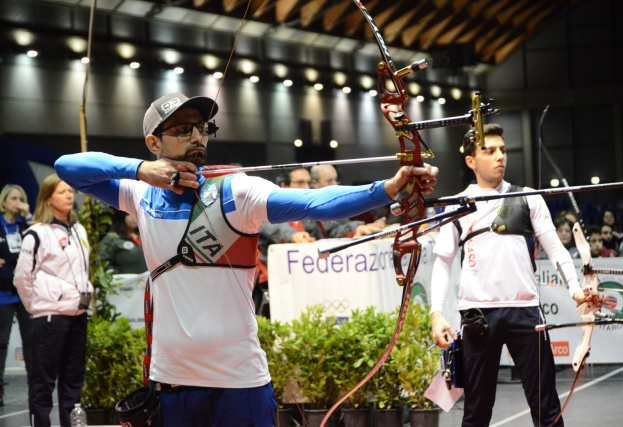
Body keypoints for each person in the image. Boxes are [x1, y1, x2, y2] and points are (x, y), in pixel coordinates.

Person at [54, 92, 438, 426]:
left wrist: (386, 189)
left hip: (239, 384)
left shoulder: (236, 190)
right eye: (183, 129)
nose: (196, 136)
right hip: (171, 383)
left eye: (202, 128)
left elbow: (315, 202)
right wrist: (140, 170)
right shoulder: (138, 194)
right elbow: (68, 167)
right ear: (154, 143)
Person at [430, 123, 591, 427]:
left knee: (546, 407)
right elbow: (443, 263)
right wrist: (436, 313)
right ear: (471, 161)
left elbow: (556, 250)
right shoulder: (457, 206)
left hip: (525, 313)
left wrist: (575, 289)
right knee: (476, 411)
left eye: (502, 150)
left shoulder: (529, 197)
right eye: (489, 151)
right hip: (478, 316)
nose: (499, 156)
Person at [13, 174, 93, 427]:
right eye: (62, 191)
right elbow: (21, 279)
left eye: (70, 190)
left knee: (73, 382)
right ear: (48, 198)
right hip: (49, 318)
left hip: (78, 316)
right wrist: (36, 307)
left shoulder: (79, 229)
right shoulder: (35, 234)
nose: (69, 195)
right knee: (43, 383)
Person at [255, 168, 316, 316]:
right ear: (284, 186)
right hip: (271, 284)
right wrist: (293, 235)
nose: (306, 187)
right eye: (300, 183)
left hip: (305, 279)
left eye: (308, 183)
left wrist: (358, 227)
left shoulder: (309, 208)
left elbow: (333, 225)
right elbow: (271, 225)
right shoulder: (267, 205)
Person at [0, 184, 33, 406]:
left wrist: (28, 214)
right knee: (1, 341)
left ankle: (36, 384)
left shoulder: (24, 225)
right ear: (4, 202)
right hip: (2, 293)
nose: (18, 202)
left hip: (24, 292)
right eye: (14, 198)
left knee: (31, 340)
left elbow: (41, 237)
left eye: (21, 198)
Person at [308, 164, 386, 238]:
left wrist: (366, 227)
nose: (335, 185)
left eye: (335, 180)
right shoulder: (309, 206)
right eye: (329, 181)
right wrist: (358, 227)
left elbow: (343, 226)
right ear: (314, 184)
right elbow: (333, 231)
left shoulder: (334, 202)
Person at [100, 210, 147, 274]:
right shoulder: (112, 238)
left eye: (135, 214)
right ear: (121, 217)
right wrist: (118, 276)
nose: (133, 218)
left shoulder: (145, 235)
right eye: (129, 214)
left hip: (147, 281)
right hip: (123, 282)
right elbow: (102, 262)